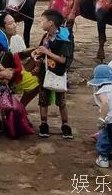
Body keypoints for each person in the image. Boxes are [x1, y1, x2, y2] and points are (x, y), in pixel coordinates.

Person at [32, 9, 73, 139]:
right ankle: (44, 124)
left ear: (50, 23)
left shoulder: (63, 39)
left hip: (58, 72)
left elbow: (63, 59)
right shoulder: (46, 37)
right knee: (43, 99)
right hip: (45, 71)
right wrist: (37, 54)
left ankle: (65, 125)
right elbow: (41, 51)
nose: (41, 23)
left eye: (43, 20)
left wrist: (47, 52)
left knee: (61, 100)